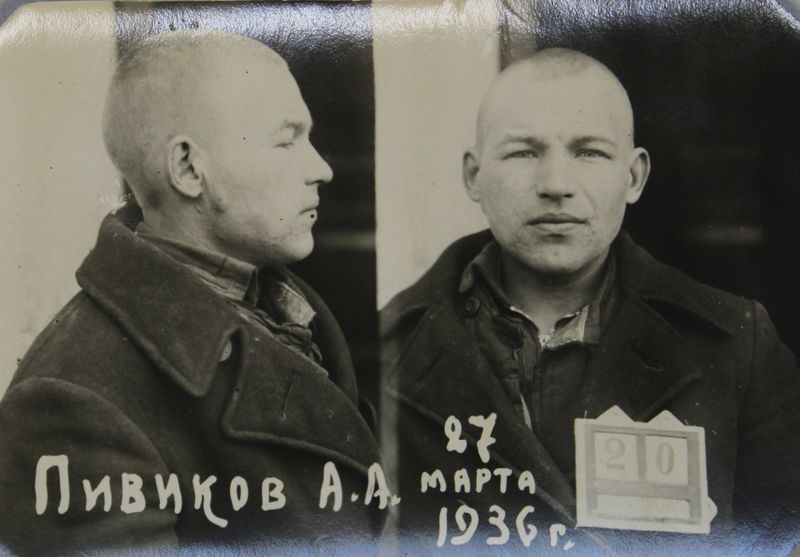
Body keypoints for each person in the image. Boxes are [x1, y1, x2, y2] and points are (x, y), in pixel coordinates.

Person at [381, 48, 800, 554]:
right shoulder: (387, 350)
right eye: (523, 153)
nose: (556, 186)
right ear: (474, 175)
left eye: (589, 152)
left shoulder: (735, 345)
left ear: (634, 177)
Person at [0, 30, 383, 555]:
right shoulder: (71, 401)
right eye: (286, 141)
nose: (322, 169)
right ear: (187, 168)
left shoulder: (288, 309)